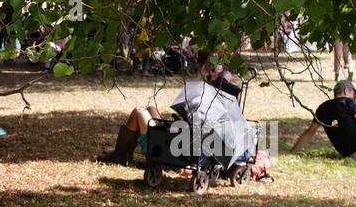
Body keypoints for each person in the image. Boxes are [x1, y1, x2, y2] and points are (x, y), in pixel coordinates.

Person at [97, 60, 249, 165]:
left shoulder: (208, 100)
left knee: (138, 111)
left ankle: (120, 154)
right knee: (150, 109)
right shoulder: (217, 100)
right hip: (180, 135)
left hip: (171, 144)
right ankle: (123, 153)